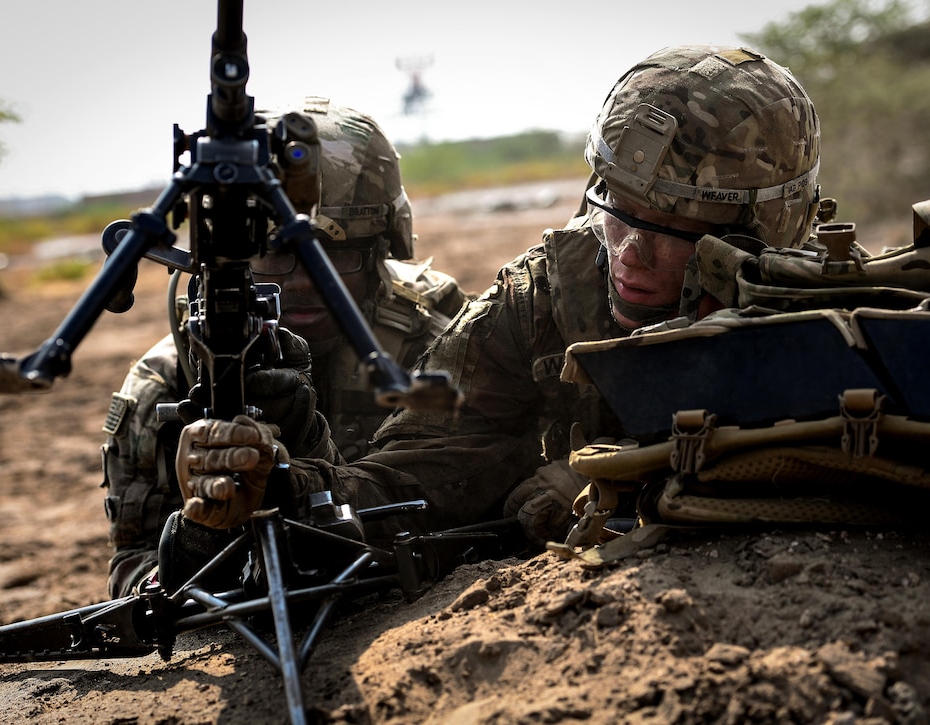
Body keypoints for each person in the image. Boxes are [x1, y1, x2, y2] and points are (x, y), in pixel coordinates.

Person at [174, 45, 822, 550]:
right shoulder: (543, 300)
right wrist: (285, 485)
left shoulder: (823, 316)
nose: (628, 252)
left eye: (675, 230)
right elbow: (420, 469)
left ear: (762, 230)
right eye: (617, 210)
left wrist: (611, 478)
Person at [102, 97, 469, 597]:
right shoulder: (168, 381)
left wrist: (301, 464)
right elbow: (132, 569)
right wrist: (197, 538)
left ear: (383, 252)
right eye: (271, 254)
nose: (301, 283)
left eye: (334, 255)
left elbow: (465, 507)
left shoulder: (435, 343)